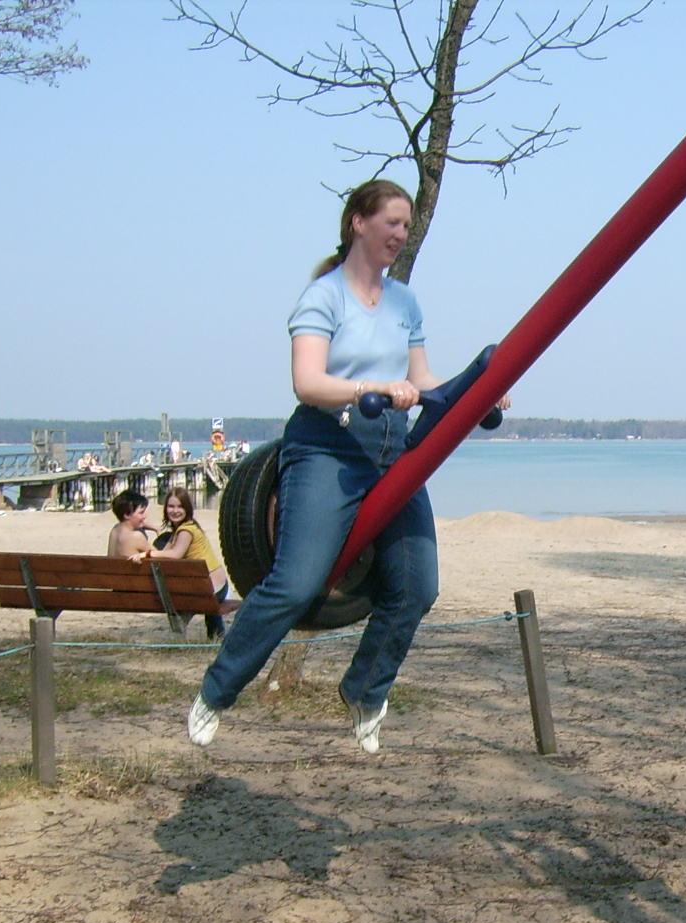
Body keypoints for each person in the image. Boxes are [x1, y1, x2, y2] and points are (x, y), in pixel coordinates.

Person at [185, 178, 509, 753]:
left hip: (391, 448)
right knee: (296, 583)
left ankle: (364, 690)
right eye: (392, 223)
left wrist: (480, 392)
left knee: (417, 587)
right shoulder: (324, 297)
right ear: (359, 223)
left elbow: (422, 382)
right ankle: (217, 690)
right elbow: (308, 383)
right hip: (328, 445)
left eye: (406, 225)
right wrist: (369, 388)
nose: (400, 234)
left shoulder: (405, 302)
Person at [134, 487, 231, 639]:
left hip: (212, 589)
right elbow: (166, 552)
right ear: (165, 508)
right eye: (171, 506)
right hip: (214, 586)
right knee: (200, 599)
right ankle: (217, 636)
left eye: (180, 507)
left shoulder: (186, 531)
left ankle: (208, 634)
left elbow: (175, 554)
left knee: (193, 599)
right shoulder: (184, 528)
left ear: (187, 509)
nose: (175, 511)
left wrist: (148, 553)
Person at [107, 489, 154, 558]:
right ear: (127, 515)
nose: (144, 516)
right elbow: (161, 558)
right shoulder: (135, 536)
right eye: (141, 512)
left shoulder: (115, 530)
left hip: (113, 565)